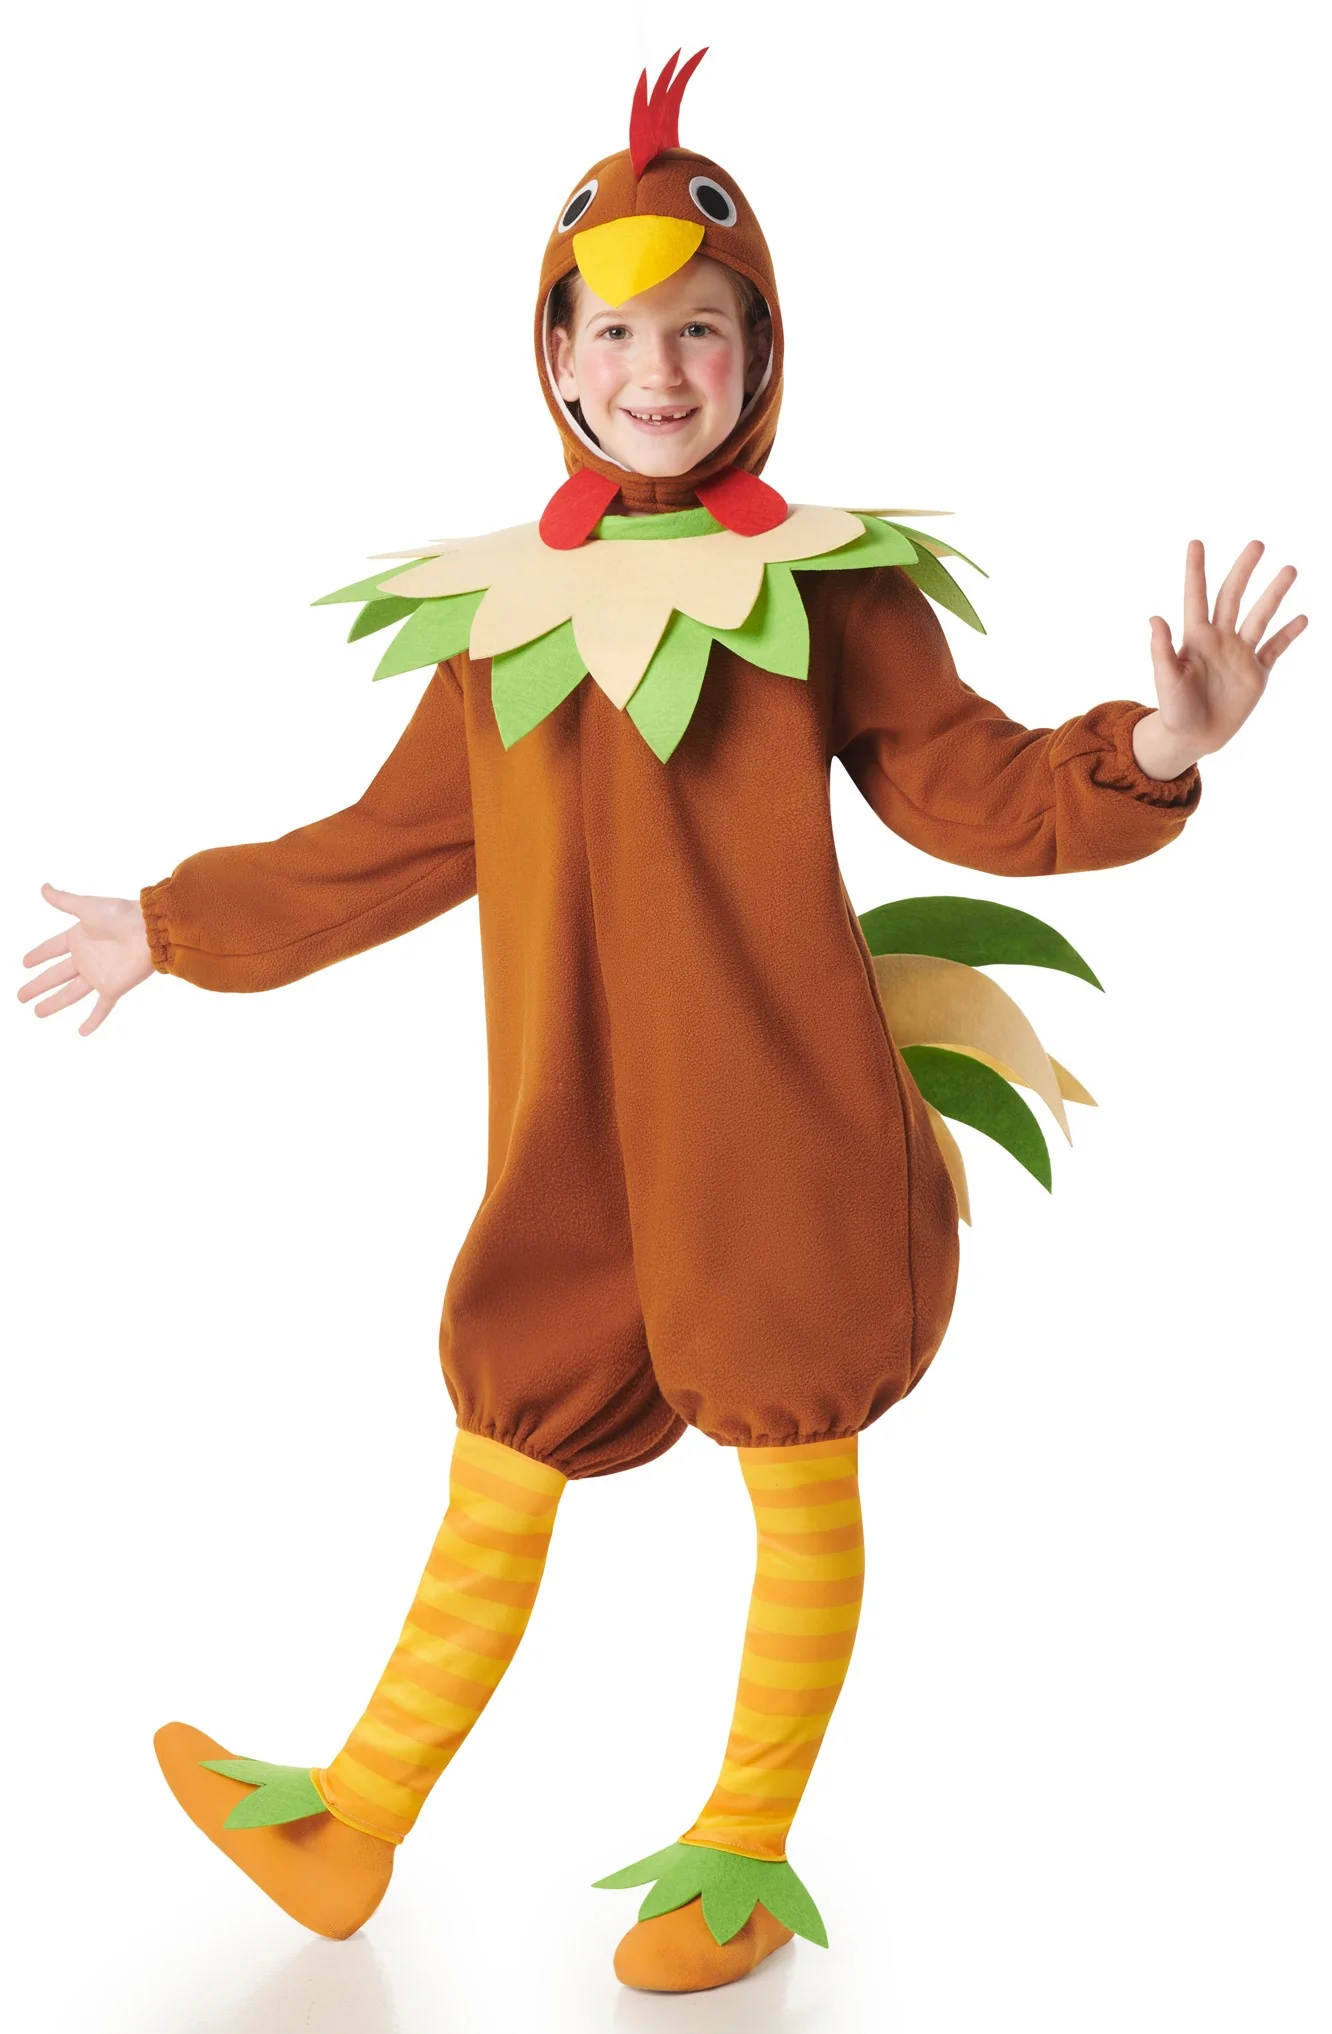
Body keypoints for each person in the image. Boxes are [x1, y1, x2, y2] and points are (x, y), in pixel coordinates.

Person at [16, 48, 1306, 1998]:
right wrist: (176, 925)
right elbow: (386, 849)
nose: (657, 367)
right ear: (555, 353)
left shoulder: (830, 591)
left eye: (699, 326)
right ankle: (354, 1817)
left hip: (780, 1130)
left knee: (792, 1453)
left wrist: (1157, 747)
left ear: (760, 350)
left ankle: (744, 1847)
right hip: (576, 1138)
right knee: (505, 1433)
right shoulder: (500, 618)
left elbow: (971, 786)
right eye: (615, 329)